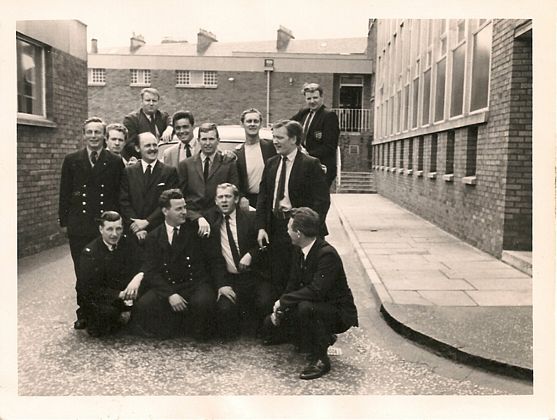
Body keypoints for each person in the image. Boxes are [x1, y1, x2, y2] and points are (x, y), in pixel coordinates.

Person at [264, 207, 358, 380]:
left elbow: (316, 290)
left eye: (289, 228)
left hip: (337, 312)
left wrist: (285, 301)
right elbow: (292, 283)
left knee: (305, 308)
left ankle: (321, 359)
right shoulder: (299, 249)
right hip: (316, 305)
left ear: (298, 233)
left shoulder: (326, 254)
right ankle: (319, 338)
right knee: (270, 327)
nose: (287, 231)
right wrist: (280, 306)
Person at [131, 189, 225, 339]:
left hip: (195, 283)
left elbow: (215, 259)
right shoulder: (154, 237)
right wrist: (170, 294)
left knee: (204, 304)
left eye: (184, 207)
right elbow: (151, 271)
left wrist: (222, 284)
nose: (184, 212)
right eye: (178, 209)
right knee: (144, 305)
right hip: (170, 284)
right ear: (165, 211)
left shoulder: (196, 230)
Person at [58, 117, 124, 330]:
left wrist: (117, 223)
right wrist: (64, 221)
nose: (93, 136)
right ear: (84, 135)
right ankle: (83, 312)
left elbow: (118, 193)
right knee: (82, 270)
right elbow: (65, 192)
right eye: (90, 132)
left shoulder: (114, 161)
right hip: (79, 225)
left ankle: (104, 310)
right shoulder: (72, 160)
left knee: (106, 268)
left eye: (97, 132)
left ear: (104, 136)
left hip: (105, 226)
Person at [255, 120, 330, 298]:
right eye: (273, 137)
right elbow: (263, 198)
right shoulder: (271, 163)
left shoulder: (310, 164)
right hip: (275, 229)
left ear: (294, 139)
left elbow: (322, 201)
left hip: (300, 230)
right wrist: (261, 227)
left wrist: (306, 230)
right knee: (277, 277)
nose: (275, 141)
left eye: (280, 137)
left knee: (299, 278)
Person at [205, 183, 273, 339]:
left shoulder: (251, 218)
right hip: (230, 278)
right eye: (220, 197)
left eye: (228, 196)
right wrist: (222, 285)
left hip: (253, 276)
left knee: (265, 302)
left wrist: (251, 254)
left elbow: (266, 245)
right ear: (215, 201)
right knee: (224, 311)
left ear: (236, 199)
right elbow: (213, 259)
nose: (224, 201)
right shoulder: (211, 222)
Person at [76, 211, 144, 337]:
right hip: (103, 298)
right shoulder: (90, 253)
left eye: (118, 229)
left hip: (126, 295)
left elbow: (143, 262)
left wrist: (138, 277)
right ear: (101, 229)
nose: (114, 234)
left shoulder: (128, 244)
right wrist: (119, 295)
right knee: (106, 317)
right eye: (109, 229)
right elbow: (88, 289)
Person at [177, 123, 240, 238]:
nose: (207, 143)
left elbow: (234, 195)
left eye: (211, 139)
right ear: (198, 140)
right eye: (204, 139)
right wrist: (197, 218)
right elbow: (181, 198)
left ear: (218, 140)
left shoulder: (228, 163)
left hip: (219, 222)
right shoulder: (186, 165)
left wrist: (212, 218)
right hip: (192, 223)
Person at [120, 132, 180, 242]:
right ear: (138, 148)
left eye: (154, 145)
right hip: (134, 232)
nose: (152, 149)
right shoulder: (129, 172)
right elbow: (124, 201)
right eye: (147, 145)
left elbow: (168, 203)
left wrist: (147, 222)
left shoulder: (169, 172)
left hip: (159, 231)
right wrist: (136, 225)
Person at [291, 83, 340, 187]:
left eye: (315, 98)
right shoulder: (304, 113)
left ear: (322, 97)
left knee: (318, 201)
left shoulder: (329, 116)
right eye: (309, 98)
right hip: (305, 166)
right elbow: (288, 125)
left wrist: (306, 155)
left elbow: (330, 147)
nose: (312, 101)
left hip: (321, 167)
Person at [234, 108, 277, 209]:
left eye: (256, 121)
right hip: (250, 202)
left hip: (271, 200)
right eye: (249, 121)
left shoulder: (272, 146)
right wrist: (241, 197)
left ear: (261, 124)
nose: (252, 124)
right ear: (242, 124)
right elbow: (235, 180)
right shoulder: (237, 154)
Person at [122, 88, 173, 160]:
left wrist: (170, 128)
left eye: (154, 101)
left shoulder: (162, 116)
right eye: (148, 100)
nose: (151, 103)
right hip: (140, 159)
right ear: (142, 101)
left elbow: (172, 120)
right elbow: (130, 145)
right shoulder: (131, 119)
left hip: (162, 158)